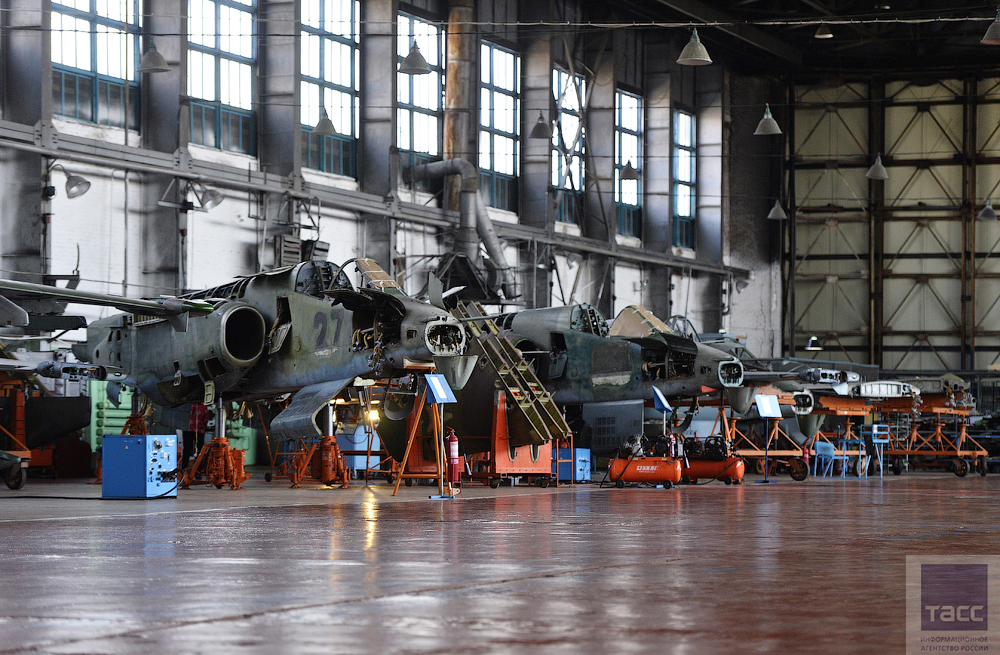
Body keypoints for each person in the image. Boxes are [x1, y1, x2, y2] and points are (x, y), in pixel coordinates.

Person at [181, 403, 210, 470]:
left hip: (188, 430)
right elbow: (206, 419)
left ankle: (184, 468)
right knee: (199, 450)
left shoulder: (188, 406)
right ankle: (198, 468)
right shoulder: (203, 407)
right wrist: (202, 427)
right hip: (198, 430)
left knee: (187, 449)